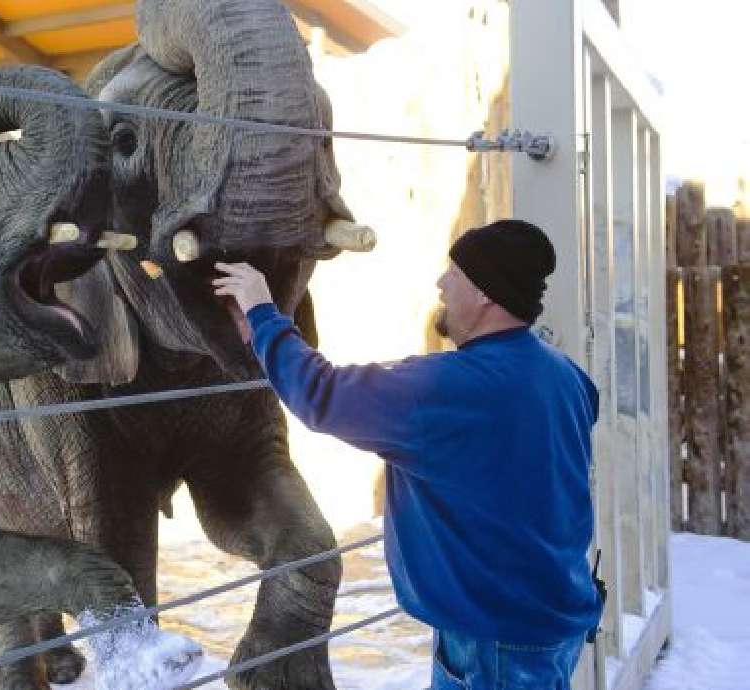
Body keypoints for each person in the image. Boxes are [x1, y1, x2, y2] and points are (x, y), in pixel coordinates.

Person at [213, 219, 603, 690]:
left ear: (484, 293)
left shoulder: (449, 387)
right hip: (549, 626)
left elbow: (321, 395)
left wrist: (262, 311)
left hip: (493, 646)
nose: (441, 283)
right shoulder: (565, 376)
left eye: (453, 273)